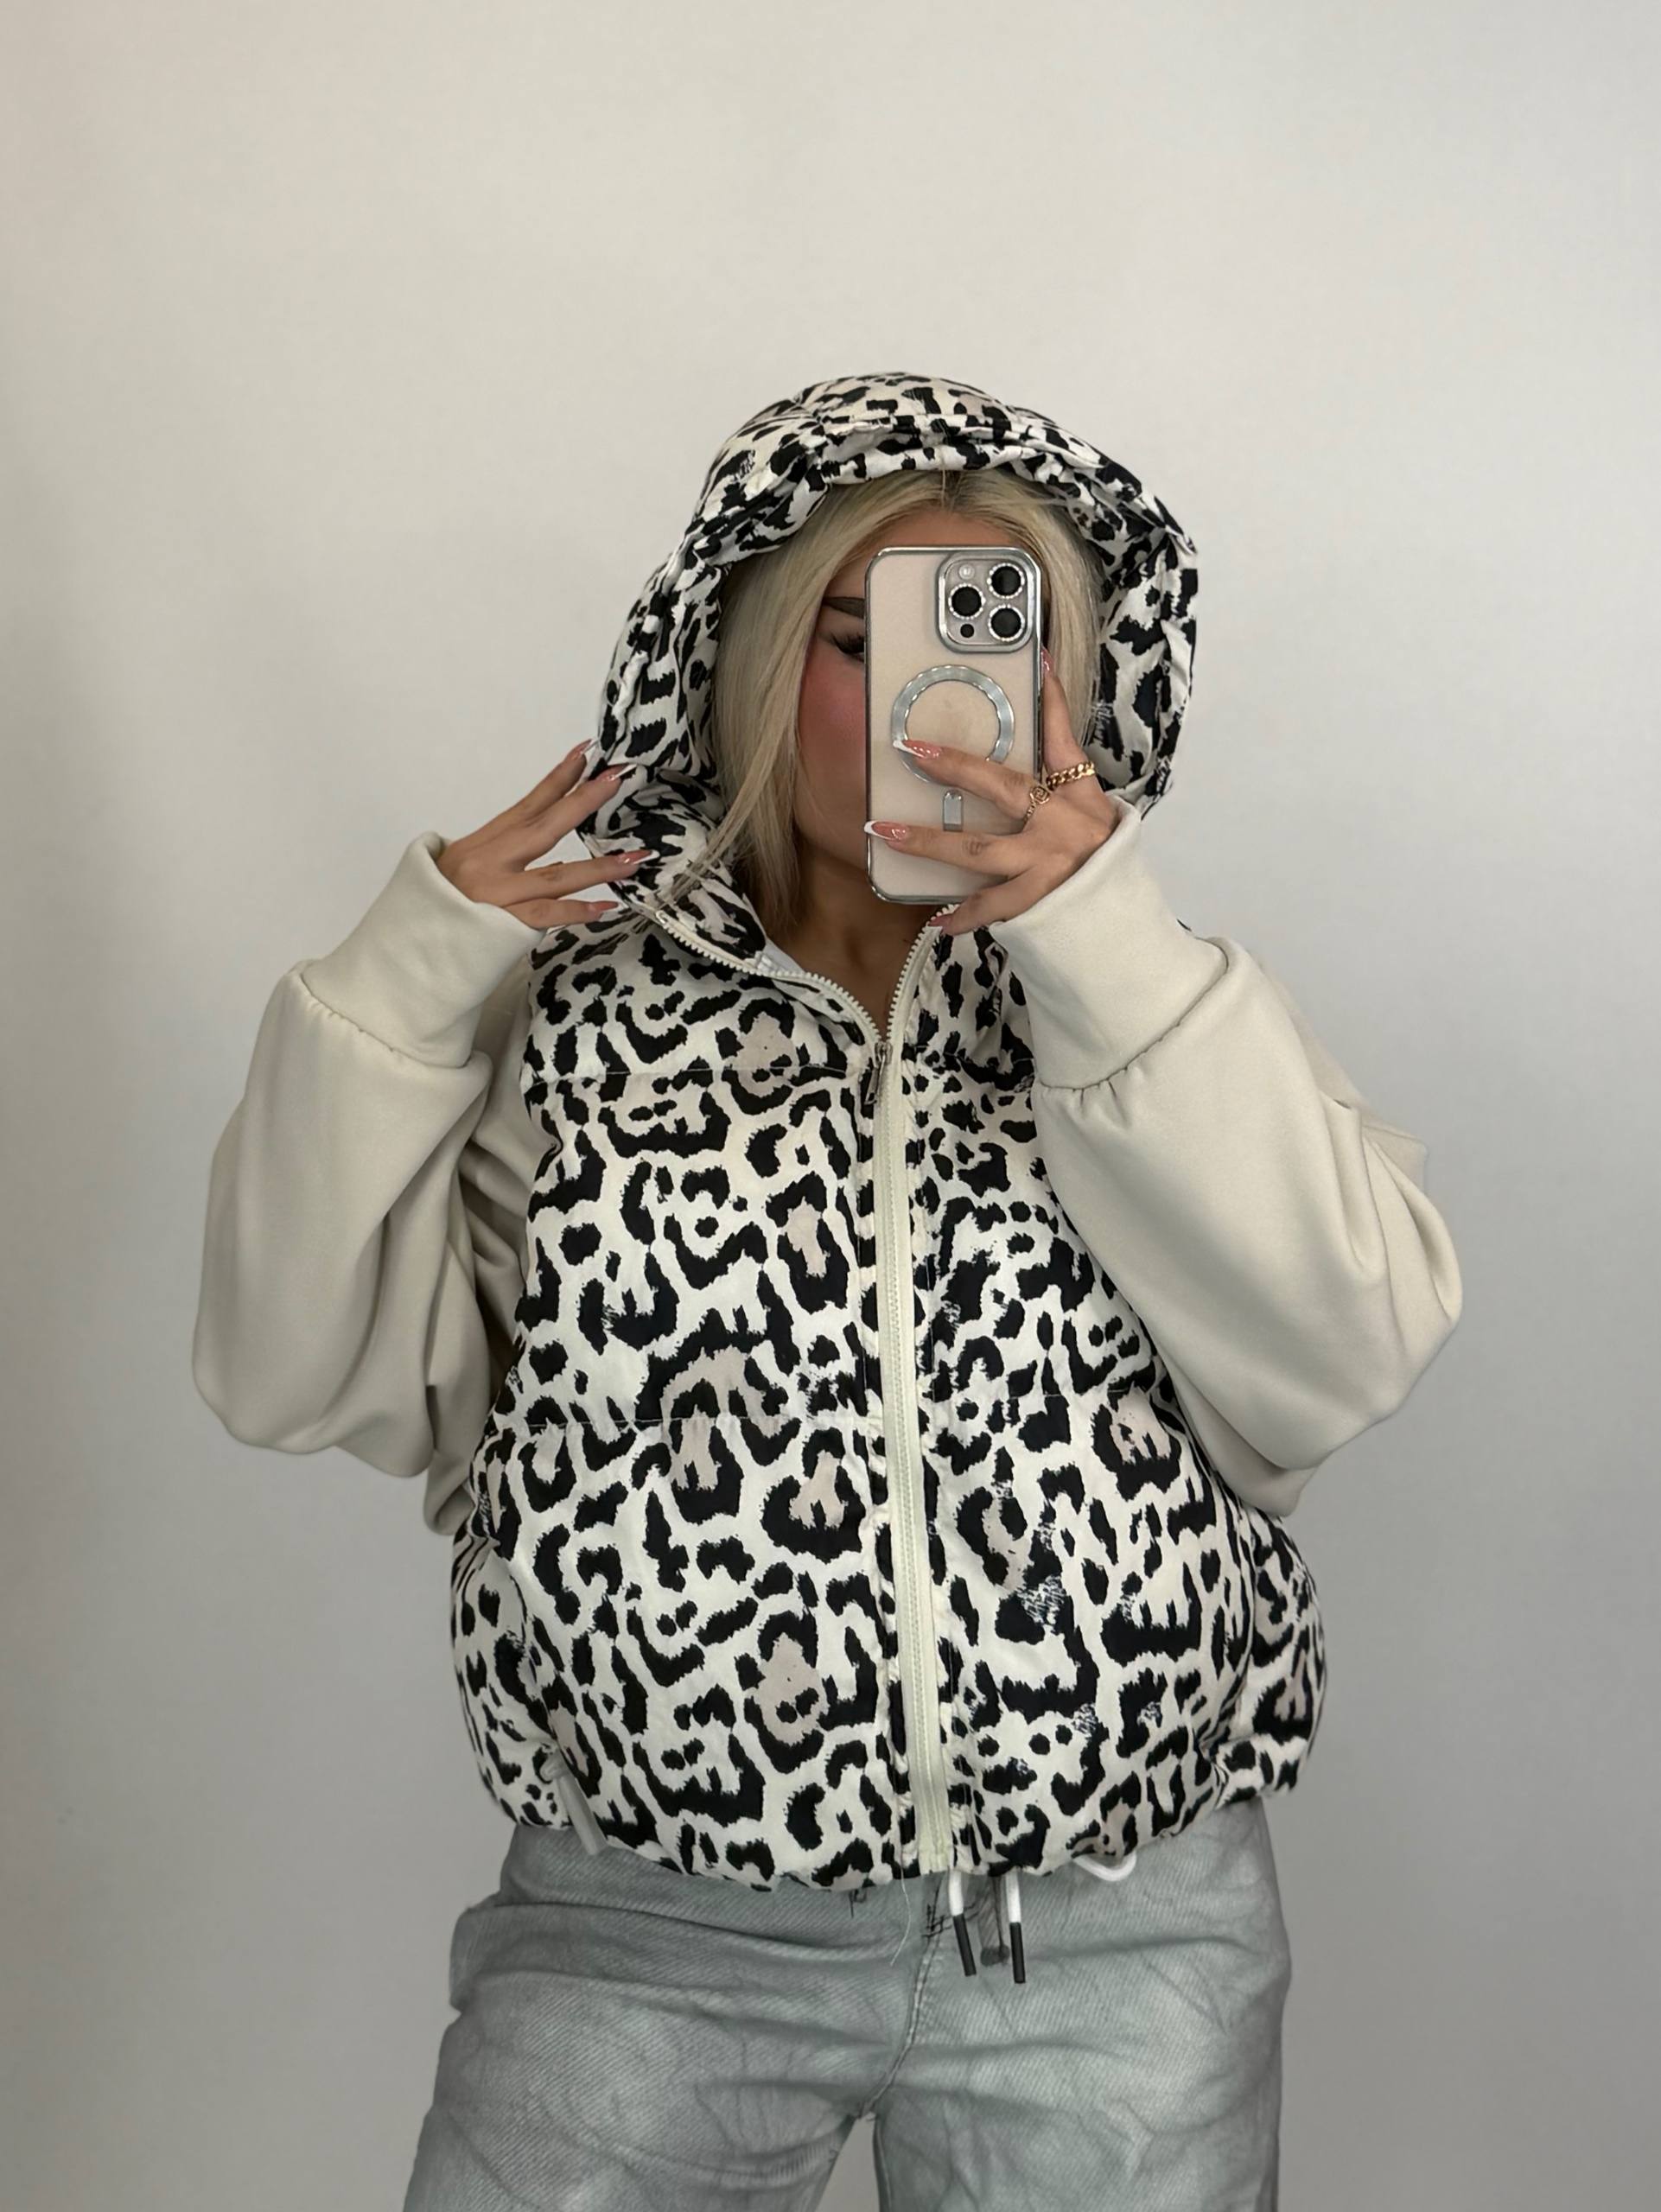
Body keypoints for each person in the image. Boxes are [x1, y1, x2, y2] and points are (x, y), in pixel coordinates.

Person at [192, 370, 1462, 2209]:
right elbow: (285, 1369)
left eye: (989, 636)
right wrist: (402, 978)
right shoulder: (582, 1022)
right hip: (647, 1929)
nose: (926, 698)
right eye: (856, 640)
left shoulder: (1147, 1001)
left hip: (1116, 1933)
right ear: (754, 655)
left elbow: (1349, 1351)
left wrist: (1101, 944)